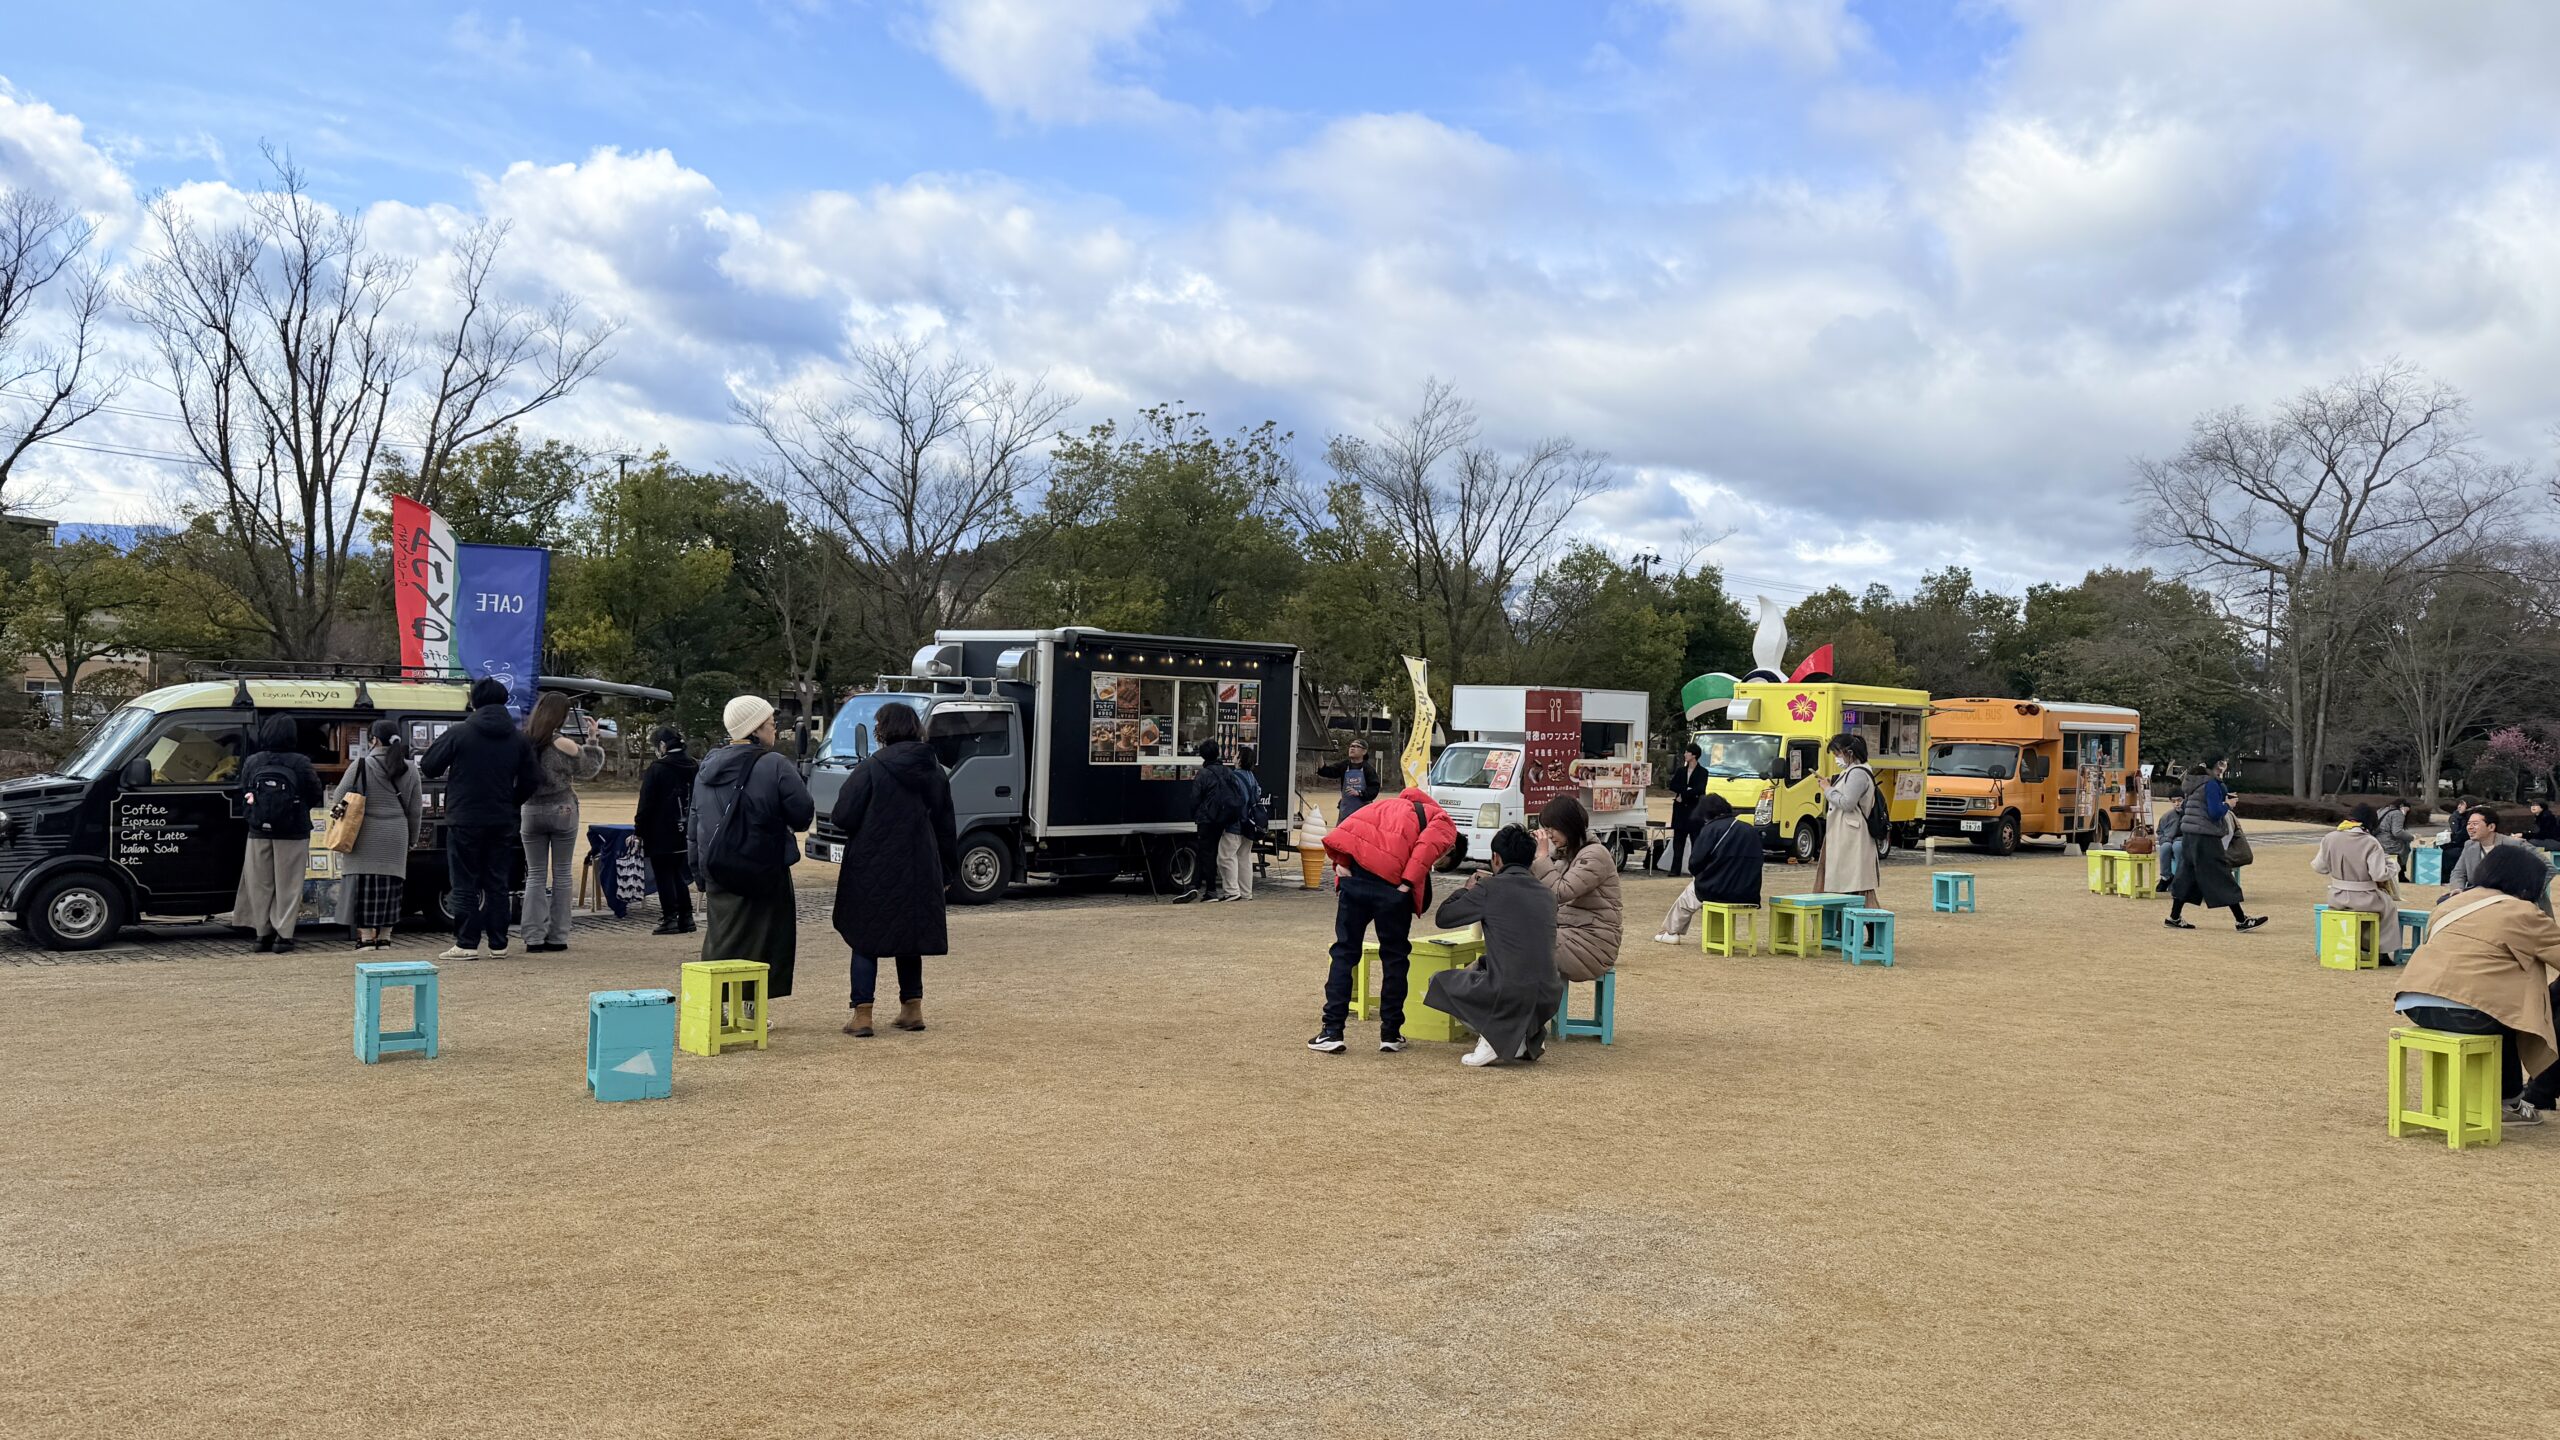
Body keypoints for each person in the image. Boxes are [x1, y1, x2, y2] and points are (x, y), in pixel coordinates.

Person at [2394, 844, 2560, 1126]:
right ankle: (2509, 1102)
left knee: (2499, 1012)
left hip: (2416, 1003)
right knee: (2506, 1017)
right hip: (2470, 1012)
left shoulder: (2452, 903)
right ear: (2527, 882)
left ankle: (2506, 1098)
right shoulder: (2523, 912)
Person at [829, 701, 959, 1038]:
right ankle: (912, 1009)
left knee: (864, 937)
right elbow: (946, 824)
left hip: (872, 865)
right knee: (909, 936)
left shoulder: (871, 768)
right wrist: (947, 871)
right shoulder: (934, 770)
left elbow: (843, 815)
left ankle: (862, 1015)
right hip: (919, 865)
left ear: (882, 731)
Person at [1308, 783, 1458, 1054]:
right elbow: (1425, 849)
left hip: (1356, 880)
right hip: (1393, 888)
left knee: (1344, 953)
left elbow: (1349, 830)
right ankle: (1390, 1033)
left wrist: (1340, 863)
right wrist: (1407, 884)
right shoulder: (1443, 820)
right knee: (1395, 958)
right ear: (1452, 847)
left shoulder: (1385, 805)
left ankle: (1332, 1031)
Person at [693, 696, 816, 1005]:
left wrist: (699, 871)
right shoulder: (774, 764)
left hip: (717, 865)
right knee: (763, 940)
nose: (774, 731)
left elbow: (695, 823)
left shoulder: (706, 768)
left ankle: (718, 1007)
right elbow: (802, 815)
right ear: (756, 729)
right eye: (771, 725)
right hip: (763, 866)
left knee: (722, 938)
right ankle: (750, 1009)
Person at [1425, 825, 1567, 1068]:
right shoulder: (1546, 894)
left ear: (1496, 858)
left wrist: (1466, 890)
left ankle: (1493, 1037)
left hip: (1509, 989)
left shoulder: (1490, 888)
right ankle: (1524, 1037)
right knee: (1487, 968)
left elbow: (1444, 917)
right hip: (1549, 992)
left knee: (1437, 981)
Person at [422, 676, 542, 961]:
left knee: (464, 880)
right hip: (502, 818)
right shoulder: (518, 739)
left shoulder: (460, 732)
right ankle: (498, 943)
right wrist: (512, 802)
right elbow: (532, 779)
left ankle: (466, 943)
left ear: (474, 702)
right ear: (504, 701)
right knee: (497, 881)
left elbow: (429, 766)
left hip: (464, 817)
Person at [232, 714, 323, 953]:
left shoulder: (253, 761)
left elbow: (243, 789)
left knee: (259, 883)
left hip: (258, 830)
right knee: (288, 885)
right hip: (293, 831)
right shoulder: (300, 762)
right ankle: (283, 935)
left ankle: (262, 934)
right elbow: (315, 792)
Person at [519, 693, 602, 954]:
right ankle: (558, 935)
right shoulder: (563, 743)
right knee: (563, 873)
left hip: (531, 809)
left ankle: (533, 936)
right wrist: (592, 740)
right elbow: (589, 768)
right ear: (562, 716)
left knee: (535, 875)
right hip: (562, 807)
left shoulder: (523, 741)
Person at [332, 718, 422, 950]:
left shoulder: (361, 765)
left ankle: (366, 938)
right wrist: (412, 840)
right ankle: (385, 937)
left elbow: (338, 797)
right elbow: (415, 811)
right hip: (396, 836)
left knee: (364, 888)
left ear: (374, 740)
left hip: (364, 835)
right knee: (391, 887)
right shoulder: (410, 769)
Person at [2165, 755, 2267, 932]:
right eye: (2223, 762)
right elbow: (2214, 813)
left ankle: (2174, 917)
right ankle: (2241, 920)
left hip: (2189, 834)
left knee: (2187, 874)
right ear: (2217, 765)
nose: (2225, 765)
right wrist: (2228, 804)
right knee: (2221, 873)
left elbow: (2188, 807)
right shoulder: (2211, 784)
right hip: (2206, 835)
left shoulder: (2193, 781)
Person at [1530, 795, 1620, 983]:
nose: (1549, 835)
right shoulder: (1567, 856)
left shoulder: (1595, 855)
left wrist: (1543, 857)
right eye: (1546, 829)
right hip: (1570, 935)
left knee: (1522, 945)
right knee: (1513, 940)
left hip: (1593, 944)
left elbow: (1559, 893)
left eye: (1552, 828)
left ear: (1568, 825)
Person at [1655, 794, 1763, 942]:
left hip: (1718, 890)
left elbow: (1695, 863)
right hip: (1749, 892)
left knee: (1688, 896)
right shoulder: (1749, 829)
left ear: (1705, 814)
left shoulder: (1711, 829)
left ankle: (1671, 932)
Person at [2314, 804, 2402, 963]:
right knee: (2389, 908)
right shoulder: (2370, 842)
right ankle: (2380, 950)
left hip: (2336, 896)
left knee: (2378, 908)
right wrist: (2393, 866)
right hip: (2365, 896)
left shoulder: (2330, 837)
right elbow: (2379, 874)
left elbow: (2320, 867)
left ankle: (2354, 945)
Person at [634, 725, 700, 936]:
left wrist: (639, 831)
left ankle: (670, 917)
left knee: (664, 874)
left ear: (662, 745)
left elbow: (646, 803)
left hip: (661, 830)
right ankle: (687, 917)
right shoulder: (694, 765)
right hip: (688, 829)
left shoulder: (657, 768)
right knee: (679, 873)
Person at [2442, 807, 2552, 916]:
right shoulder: (2469, 846)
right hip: (2481, 901)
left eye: (2475, 824)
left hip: (2513, 905)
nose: (2470, 827)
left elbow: (2549, 868)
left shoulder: (2514, 844)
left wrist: (2528, 893)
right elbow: (2458, 872)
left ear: (2491, 827)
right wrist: (2458, 888)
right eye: (2468, 824)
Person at [1818, 734, 1881, 908]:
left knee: (1853, 884)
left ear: (1849, 753)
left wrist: (1828, 789)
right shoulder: (1854, 771)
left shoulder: (1858, 773)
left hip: (1852, 836)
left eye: (1837, 753)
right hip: (1848, 833)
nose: (1836, 758)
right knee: (1849, 882)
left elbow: (1847, 803)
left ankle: (1857, 920)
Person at [1184, 740, 1244, 903]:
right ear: (1218, 753)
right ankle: (1196, 885)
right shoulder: (1228, 771)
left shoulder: (1203, 774)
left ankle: (1210, 891)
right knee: (1213, 852)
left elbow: (1195, 798)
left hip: (1207, 818)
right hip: (1224, 819)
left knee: (1207, 853)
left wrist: (1194, 815)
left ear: (1203, 755)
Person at [1220, 745, 1265, 902]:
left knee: (1226, 857)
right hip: (1250, 824)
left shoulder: (1234, 777)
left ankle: (1232, 891)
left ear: (1239, 760)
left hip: (1235, 824)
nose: (1233, 756)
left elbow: (1232, 802)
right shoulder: (1252, 777)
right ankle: (1246, 892)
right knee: (1244, 858)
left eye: (1236, 755)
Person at [1663, 742, 1708, 874]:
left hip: (1694, 811)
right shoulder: (1681, 771)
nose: (1685, 754)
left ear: (1694, 755)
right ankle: (1675, 869)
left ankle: (1696, 869)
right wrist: (1686, 790)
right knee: (1678, 841)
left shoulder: (1703, 772)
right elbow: (1673, 786)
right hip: (1680, 811)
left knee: (1696, 841)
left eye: (1687, 752)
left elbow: (1700, 789)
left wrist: (1684, 795)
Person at [1316, 740, 1382, 823]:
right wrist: (1319, 755)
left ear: (1364, 751)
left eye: (1357, 746)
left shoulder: (1368, 769)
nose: (1352, 748)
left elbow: (1374, 788)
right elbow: (1325, 771)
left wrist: (1359, 793)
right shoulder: (1344, 765)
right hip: (1345, 810)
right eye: (1351, 746)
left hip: (1363, 812)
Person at [2377, 796, 2413, 882]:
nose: (2406, 813)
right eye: (2407, 810)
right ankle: (2401, 872)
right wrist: (2411, 837)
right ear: (2402, 806)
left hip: (2377, 840)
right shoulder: (2397, 813)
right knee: (2405, 846)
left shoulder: (2382, 810)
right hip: (2388, 843)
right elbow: (2397, 832)